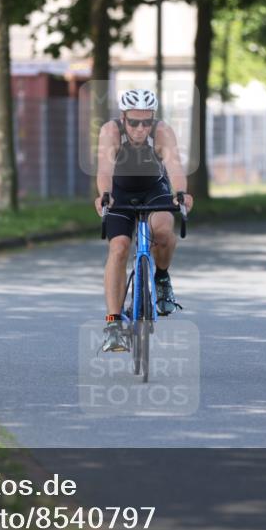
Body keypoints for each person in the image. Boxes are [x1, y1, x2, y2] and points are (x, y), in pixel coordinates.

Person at [95, 89, 194, 353]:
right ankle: (114, 324)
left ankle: (161, 279)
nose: (140, 128)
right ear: (123, 118)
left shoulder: (163, 132)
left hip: (153, 189)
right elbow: (104, 170)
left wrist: (181, 194)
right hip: (120, 191)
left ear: (153, 119)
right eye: (134, 122)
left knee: (163, 231)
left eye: (146, 121)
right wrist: (104, 196)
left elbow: (174, 168)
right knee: (119, 247)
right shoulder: (110, 131)